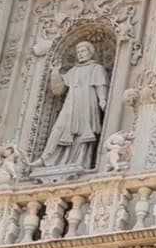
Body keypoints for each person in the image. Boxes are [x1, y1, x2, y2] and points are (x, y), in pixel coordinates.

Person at [35, 41, 109, 169]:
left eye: (83, 51)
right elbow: (58, 90)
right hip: (71, 104)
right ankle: (48, 159)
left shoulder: (96, 68)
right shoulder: (73, 71)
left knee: (85, 130)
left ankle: (81, 160)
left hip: (87, 102)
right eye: (78, 52)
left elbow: (100, 85)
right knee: (60, 128)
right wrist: (55, 72)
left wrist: (103, 100)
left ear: (90, 53)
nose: (80, 54)